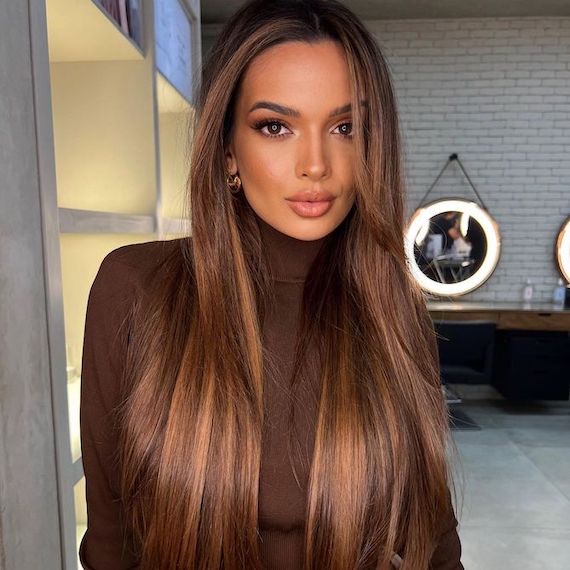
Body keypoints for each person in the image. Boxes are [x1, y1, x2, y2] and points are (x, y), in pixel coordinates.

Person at [79, 1, 464, 568]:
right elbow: (111, 546)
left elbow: (436, 545)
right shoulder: (136, 290)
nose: (316, 164)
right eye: (276, 126)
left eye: (344, 127)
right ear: (229, 149)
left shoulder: (392, 310)